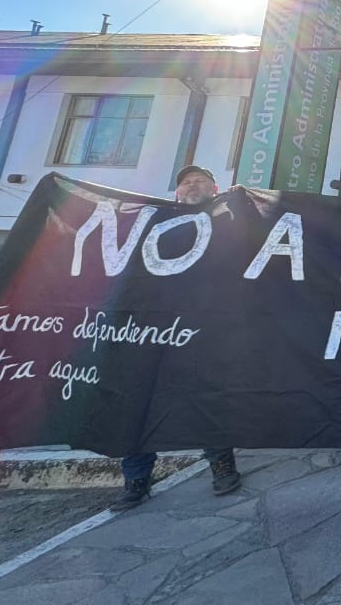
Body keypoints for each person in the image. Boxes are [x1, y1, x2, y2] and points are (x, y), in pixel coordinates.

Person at [111, 165, 241, 512]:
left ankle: (222, 466)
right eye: (186, 182)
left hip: (201, 331)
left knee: (205, 399)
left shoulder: (228, 221)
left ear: (215, 188)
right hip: (148, 332)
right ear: (177, 190)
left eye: (200, 181)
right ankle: (136, 480)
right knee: (139, 403)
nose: (192, 186)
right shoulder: (154, 221)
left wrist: (241, 203)